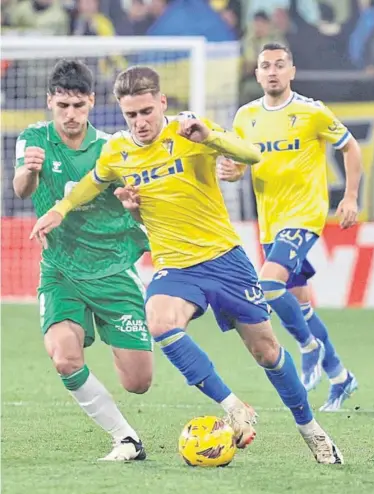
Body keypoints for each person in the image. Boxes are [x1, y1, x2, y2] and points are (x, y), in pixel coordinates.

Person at [30, 65, 344, 464]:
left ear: (161, 102)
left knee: (266, 352)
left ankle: (310, 429)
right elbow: (95, 179)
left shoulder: (189, 132)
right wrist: (60, 209)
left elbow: (252, 154)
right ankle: (233, 406)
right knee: (159, 321)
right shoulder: (118, 151)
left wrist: (210, 137)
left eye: (146, 111)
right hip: (176, 268)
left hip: (225, 260)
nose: (140, 122)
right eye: (131, 115)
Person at [13, 59, 154, 462]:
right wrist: (30, 172)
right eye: (62, 106)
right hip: (61, 268)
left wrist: (133, 206)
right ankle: (126, 438)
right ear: (50, 103)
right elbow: (22, 190)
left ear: (91, 102)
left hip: (112, 269)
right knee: (63, 356)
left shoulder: (112, 148)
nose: (70, 115)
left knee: (138, 382)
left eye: (78, 105)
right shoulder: (35, 138)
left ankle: (115, 336)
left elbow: (139, 210)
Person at [217, 43, 362, 411]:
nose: (273, 71)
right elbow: (239, 167)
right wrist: (230, 171)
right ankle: (341, 376)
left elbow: (351, 148)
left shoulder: (311, 112)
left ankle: (307, 347)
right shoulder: (245, 117)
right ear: (257, 74)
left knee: (268, 284)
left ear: (292, 71)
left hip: (305, 214)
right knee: (299, 304)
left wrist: (350, 197)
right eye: (265, 65)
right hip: (271, 221)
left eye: (280, 65)